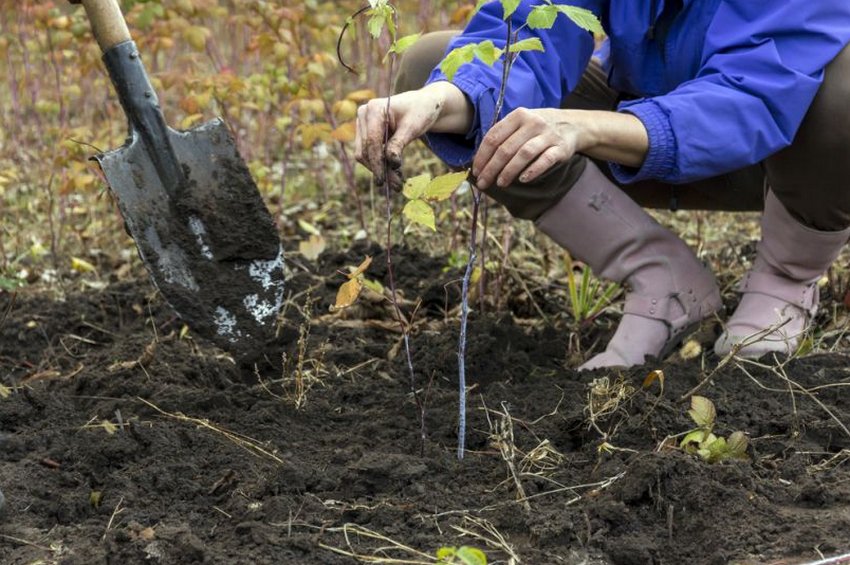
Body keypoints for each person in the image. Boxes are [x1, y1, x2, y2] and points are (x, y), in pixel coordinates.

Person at [354, 0, 850, 370]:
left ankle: (784, 282)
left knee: (844, 85)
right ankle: (661, 276)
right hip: (640, 131)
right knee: (432, 65)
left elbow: (752, 98)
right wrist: (444, 99)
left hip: (774, 155)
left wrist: (587, 128)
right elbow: (535, 26)